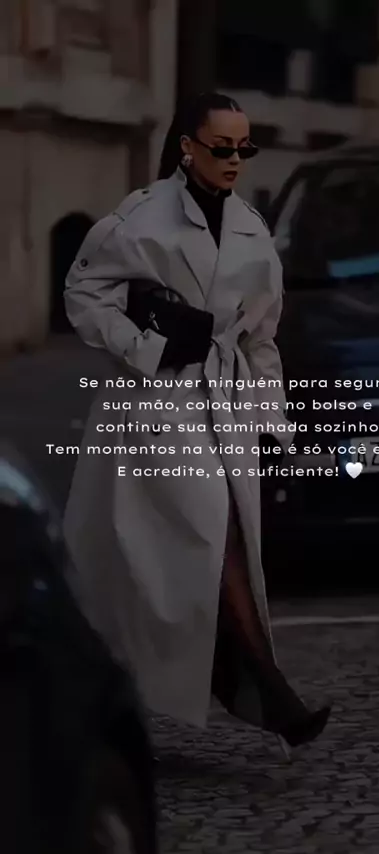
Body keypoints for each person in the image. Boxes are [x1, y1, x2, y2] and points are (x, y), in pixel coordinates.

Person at [62, 91, 331, 754]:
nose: (235, 159)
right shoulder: (139, 217)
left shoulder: (250, 228)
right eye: (222, 147)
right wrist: (145, 348)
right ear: (188, 146)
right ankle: (267, 687)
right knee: (210, 525)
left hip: (226, 401)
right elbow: (83, 292)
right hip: (155, 403)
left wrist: (271, 418)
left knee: (205, 540)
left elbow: (262, 336)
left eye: (245, 148)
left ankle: (218, 680)